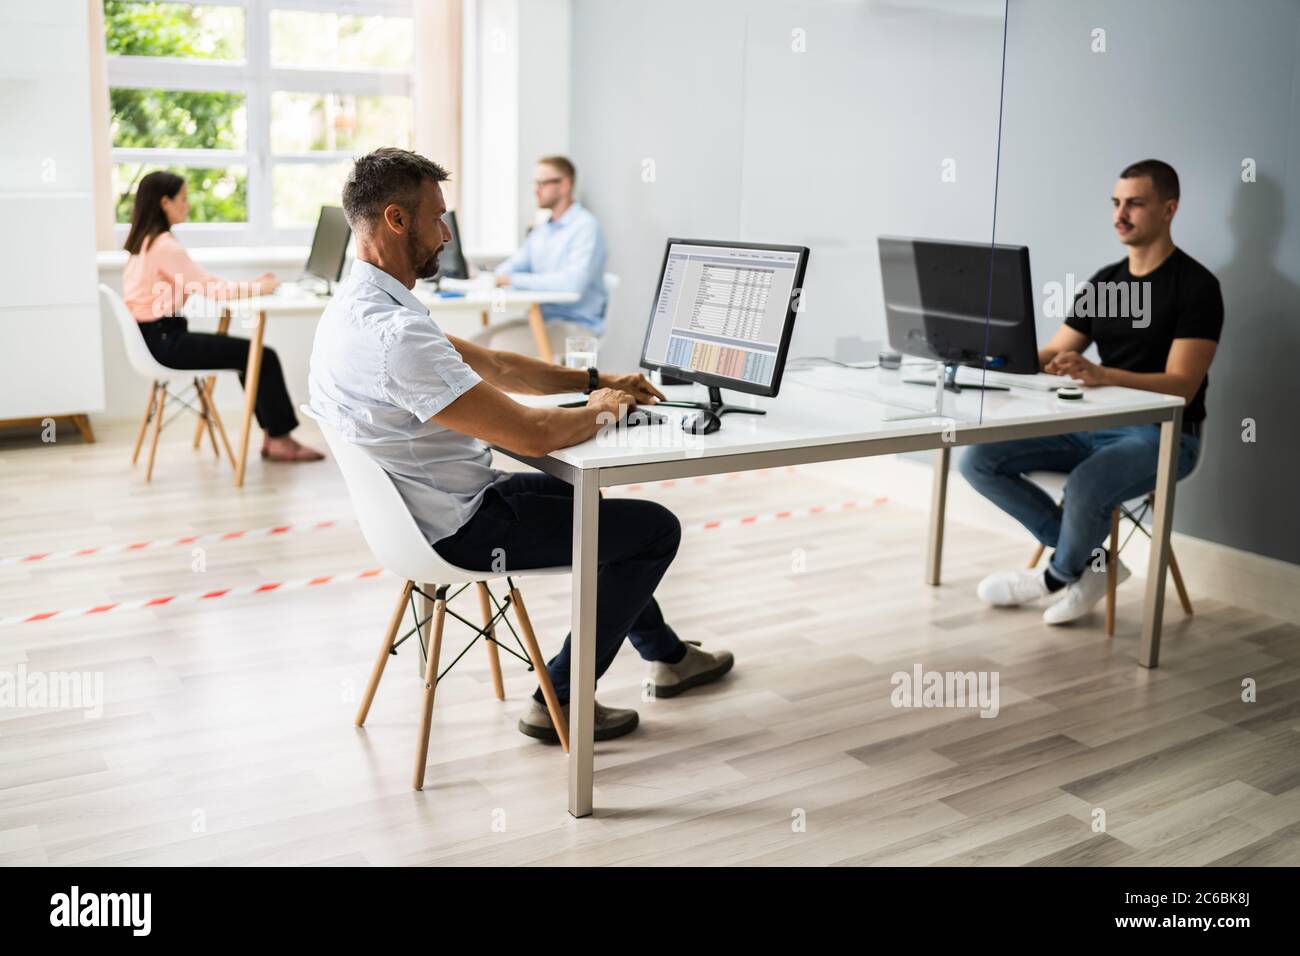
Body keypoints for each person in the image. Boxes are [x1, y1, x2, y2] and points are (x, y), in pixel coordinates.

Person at [309, 148, 733, 742]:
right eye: (437, 217)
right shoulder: (396, 335)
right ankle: (555, 699)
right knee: (654, 529)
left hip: (420, 515)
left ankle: (669, 655)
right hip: (462, 527)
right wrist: (603, 412)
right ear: (396, 221)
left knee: (604, 517)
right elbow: (531, 433)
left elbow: (498, 365)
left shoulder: (356, 308)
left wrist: (597, 381)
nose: (447, 232)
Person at [959, 159, 1222, 625]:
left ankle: (1054, 578)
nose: (1121, 214)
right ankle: (1097, 566)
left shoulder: (1197, 287)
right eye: (1117, 203)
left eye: (1135, 204)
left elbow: (1183, 386)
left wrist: (1104, 374)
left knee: (1084, 485)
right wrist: (986, 353)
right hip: (1092, 428)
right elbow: (1056, 350)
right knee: (978, 459)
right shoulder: (1105, 282)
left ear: (1168, 209)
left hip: (1165, 436)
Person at [121, 170, 323, 462]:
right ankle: (279, 440)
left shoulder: (144, 243)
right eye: (183, 199)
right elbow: (213, 290)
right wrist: (259, 287)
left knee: (252, 357)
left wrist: (250, 287)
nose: (188, 205)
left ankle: (274, 437)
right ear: (165, 202)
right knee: (261, 357)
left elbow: (203, 284)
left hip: (156, 340)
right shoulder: (163, 244)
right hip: (167, 342)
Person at [479, 155, 608, 359]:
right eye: (535, 183)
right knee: (474, 343)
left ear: (565, 185)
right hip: (541, 320)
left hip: (575, 326)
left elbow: (572, 284)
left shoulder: (585, 227)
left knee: (494, 347)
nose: (535, 189)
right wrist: (488, 277)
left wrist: (511, 280)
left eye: (542, 183)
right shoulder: (543, 230)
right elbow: (515, 264)